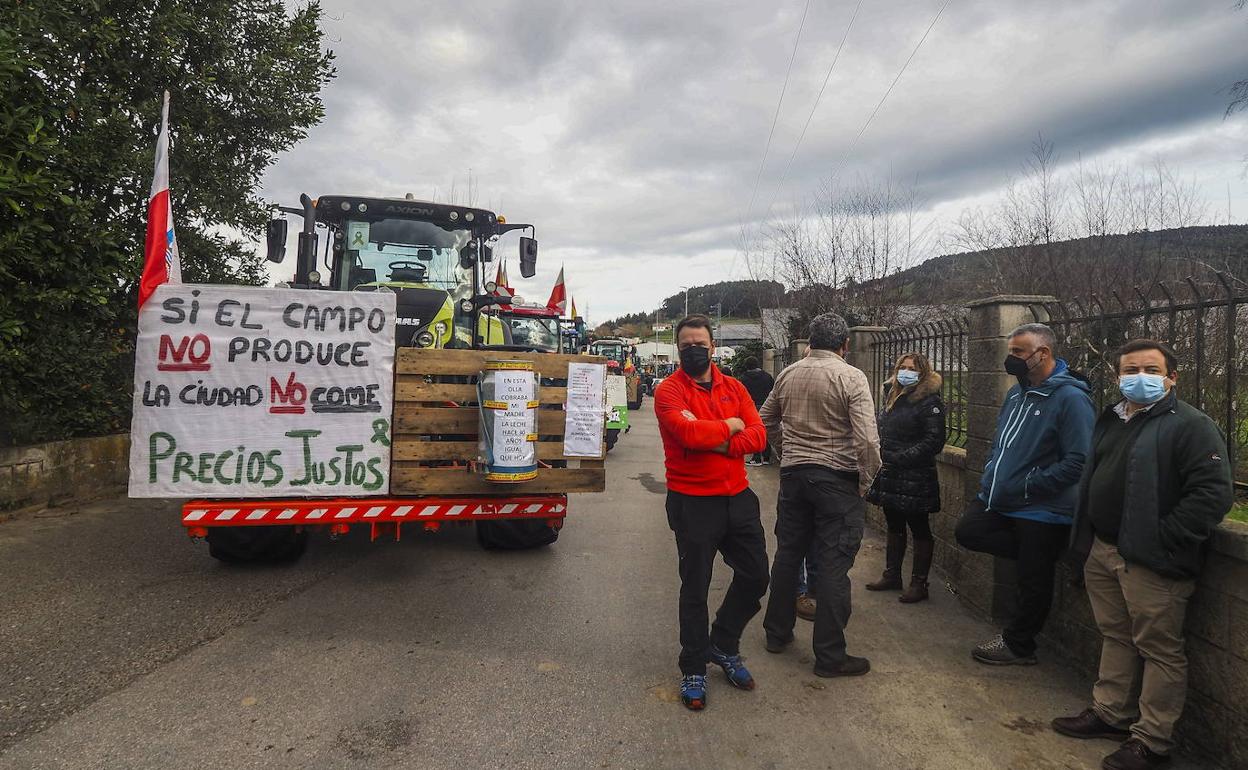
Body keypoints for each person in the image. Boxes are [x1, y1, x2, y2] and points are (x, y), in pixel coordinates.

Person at [1051, 340, 1233, 770]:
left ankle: (1152, 741)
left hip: (1152, 560)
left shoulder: (1192, 425)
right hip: (1104, 549)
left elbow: (1212, 493)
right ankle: (1111, 714)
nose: (1140, 377)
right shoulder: (1112, 419)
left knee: (1160, 649)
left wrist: (1162, 539)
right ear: (1117, 377)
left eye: (1152, 370)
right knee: (1116, 635)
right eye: (1131, 369)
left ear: (1172, 377)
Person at [955, 323, 1095, 665]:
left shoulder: (1071, 398)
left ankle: (1019, 645)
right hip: (1001, 498)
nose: (1011, 358)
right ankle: (1046, 557)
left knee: (1033, 580)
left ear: (1042, 354)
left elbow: (1080, 459)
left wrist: (1031, 485)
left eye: (1018, 352)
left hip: (1042, 507)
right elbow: (1001, 443)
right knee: (968, 531)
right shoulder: (1016, 393)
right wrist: (992, 474)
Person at [653, 314, 770, 711]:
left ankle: (722, 642)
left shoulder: (734, 387)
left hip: (737, 497)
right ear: (678, 348)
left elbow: (758, 436)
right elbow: (686, 434)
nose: (692, 350)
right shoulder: (668, 391)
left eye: (699, 343)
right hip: (692, 502)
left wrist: (716, 439)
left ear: (713, 347)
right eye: (685, 345)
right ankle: (693, 666)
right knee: (695, 587)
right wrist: (729, 427)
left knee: (756, 576)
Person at [759, 312, 882, 677]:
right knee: (833, 565)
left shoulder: (788, 373)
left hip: (795, 478)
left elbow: (765, 419)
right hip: (836, 480)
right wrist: (865, 481)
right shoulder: (851, 376)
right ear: (845, 345)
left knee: (788, 555)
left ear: (809, 342)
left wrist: (786, 452)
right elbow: (868, 440)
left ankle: (776, 634)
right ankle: (830, 656)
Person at [865, 352, 947, 603]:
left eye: (912, 368)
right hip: (891, 472)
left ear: (922, 373)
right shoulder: (893, 395)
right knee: (894, 523)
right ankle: (892, 575)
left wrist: (903, 457)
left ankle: (919, 583)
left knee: (919, 526)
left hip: (915, 475)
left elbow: (934, 440)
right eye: (903, 367)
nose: (906, 371)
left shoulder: (929, 402)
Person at [737, 357, 775, 466]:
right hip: (766, 406)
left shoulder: (743, 379)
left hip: (751, 408)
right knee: (765, 431)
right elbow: (772, 391)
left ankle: (756, 458)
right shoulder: (767, 377)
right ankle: (767, 457)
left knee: (754, 432)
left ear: (746, 366)